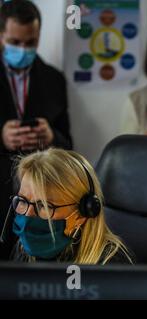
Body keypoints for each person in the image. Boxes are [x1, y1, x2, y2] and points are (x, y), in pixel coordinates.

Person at [0, 0, 72, 259]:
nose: (23, 49)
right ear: (1, 36)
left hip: (40, 200)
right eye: (15, 42)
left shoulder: (54, 79)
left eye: (30, 43)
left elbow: (68, 144)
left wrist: (52, 136)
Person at [3, 148, 132, 264]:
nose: (27, 214)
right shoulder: (23, 249)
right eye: (23, 201)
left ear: (83, 212)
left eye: (45, 206)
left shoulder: (111, 264)